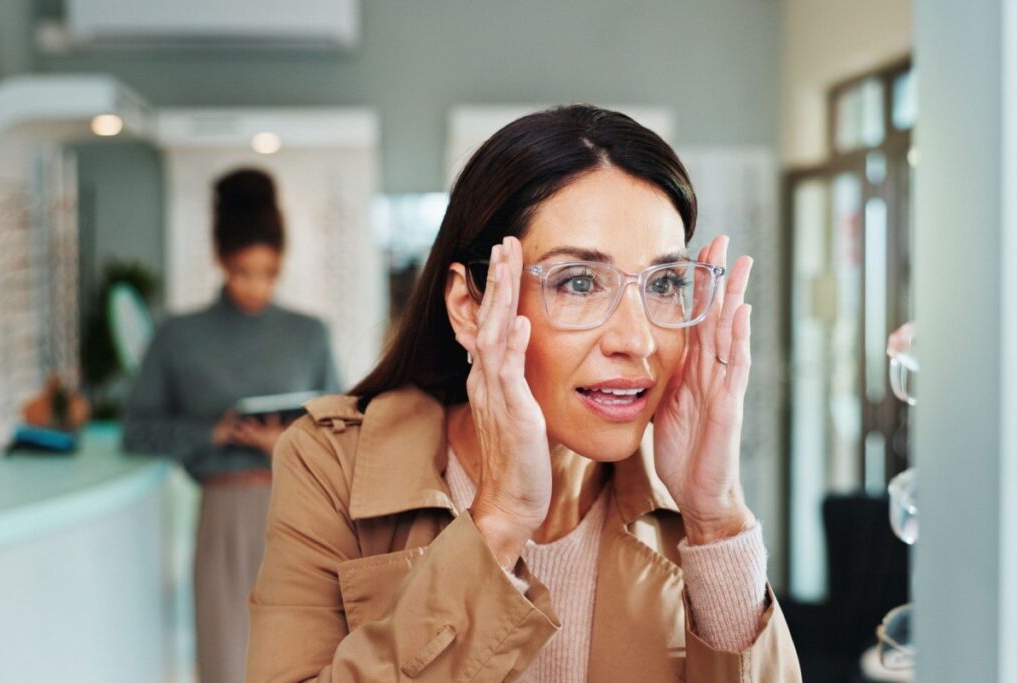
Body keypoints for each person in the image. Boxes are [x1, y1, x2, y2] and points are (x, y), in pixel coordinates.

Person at [246, 105, 801, 682]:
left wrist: (717, 521)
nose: (636, 340)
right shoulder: (330, 463)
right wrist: (499, 522)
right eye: (579, 282)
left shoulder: (688, 508)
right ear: (469, 306)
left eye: (663, 283)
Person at [123, 168, 341, 683]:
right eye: (245, 272)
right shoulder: (180, 337)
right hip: (223, 512)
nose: (257, 286)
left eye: (269, 272)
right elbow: (138, 429)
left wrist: (285, 445)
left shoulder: (308, 334)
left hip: (300, 511)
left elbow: (343, 431)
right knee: (225, 658)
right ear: (222, 261)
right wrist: (211, 433)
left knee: (306, 659)